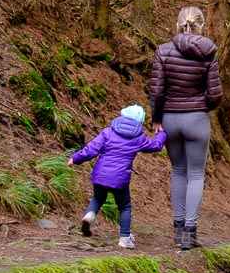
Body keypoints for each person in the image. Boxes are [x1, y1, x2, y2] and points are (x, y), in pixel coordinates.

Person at [150, 5, 222, 250]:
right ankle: (190, 234)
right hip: (196, 119)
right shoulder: (208, 53)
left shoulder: (163, 51)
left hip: (170, 117)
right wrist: (199, 105)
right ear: (201, 25)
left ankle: (178, 231)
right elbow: (215, 96)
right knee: (196, 175)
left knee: (178, 171)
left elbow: (157, 91)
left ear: (178, 22)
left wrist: (156, 118)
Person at [68, 104, 166, 249]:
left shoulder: (108, 132)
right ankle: (124, 238)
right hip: (120, 178)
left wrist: (75, 158)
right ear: (139, 122)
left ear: (122, 116)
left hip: (101, 174)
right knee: (125, 207)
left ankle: (89, 215)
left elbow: (92, 149)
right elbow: (156, 146)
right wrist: (162, 133)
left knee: (98, 197)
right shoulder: (139, 138)